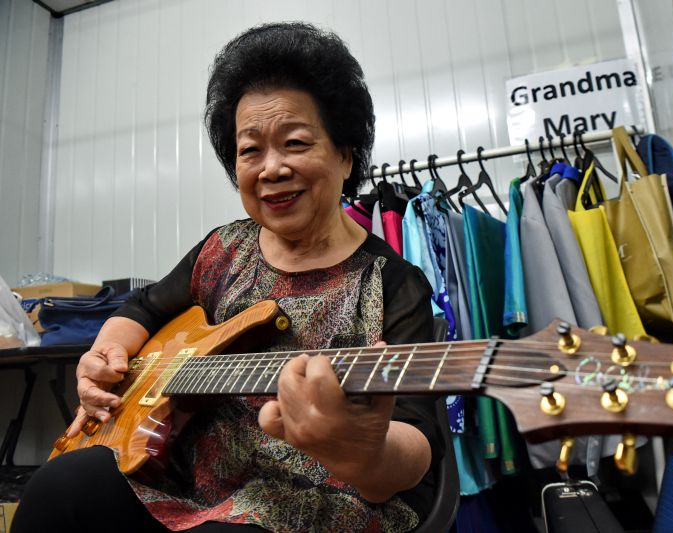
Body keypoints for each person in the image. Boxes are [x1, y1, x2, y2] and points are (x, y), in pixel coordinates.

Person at [13, 22, 443, 533]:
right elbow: (143, 307)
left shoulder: (394, 283)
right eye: (250, 150)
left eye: (295, 142)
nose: (272, 168)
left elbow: (417, 447)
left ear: (346, 154)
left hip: (320, 501)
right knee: (59, 486)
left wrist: (362, 450)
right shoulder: (225, 248)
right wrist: (102, 357)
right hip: (189, 484)